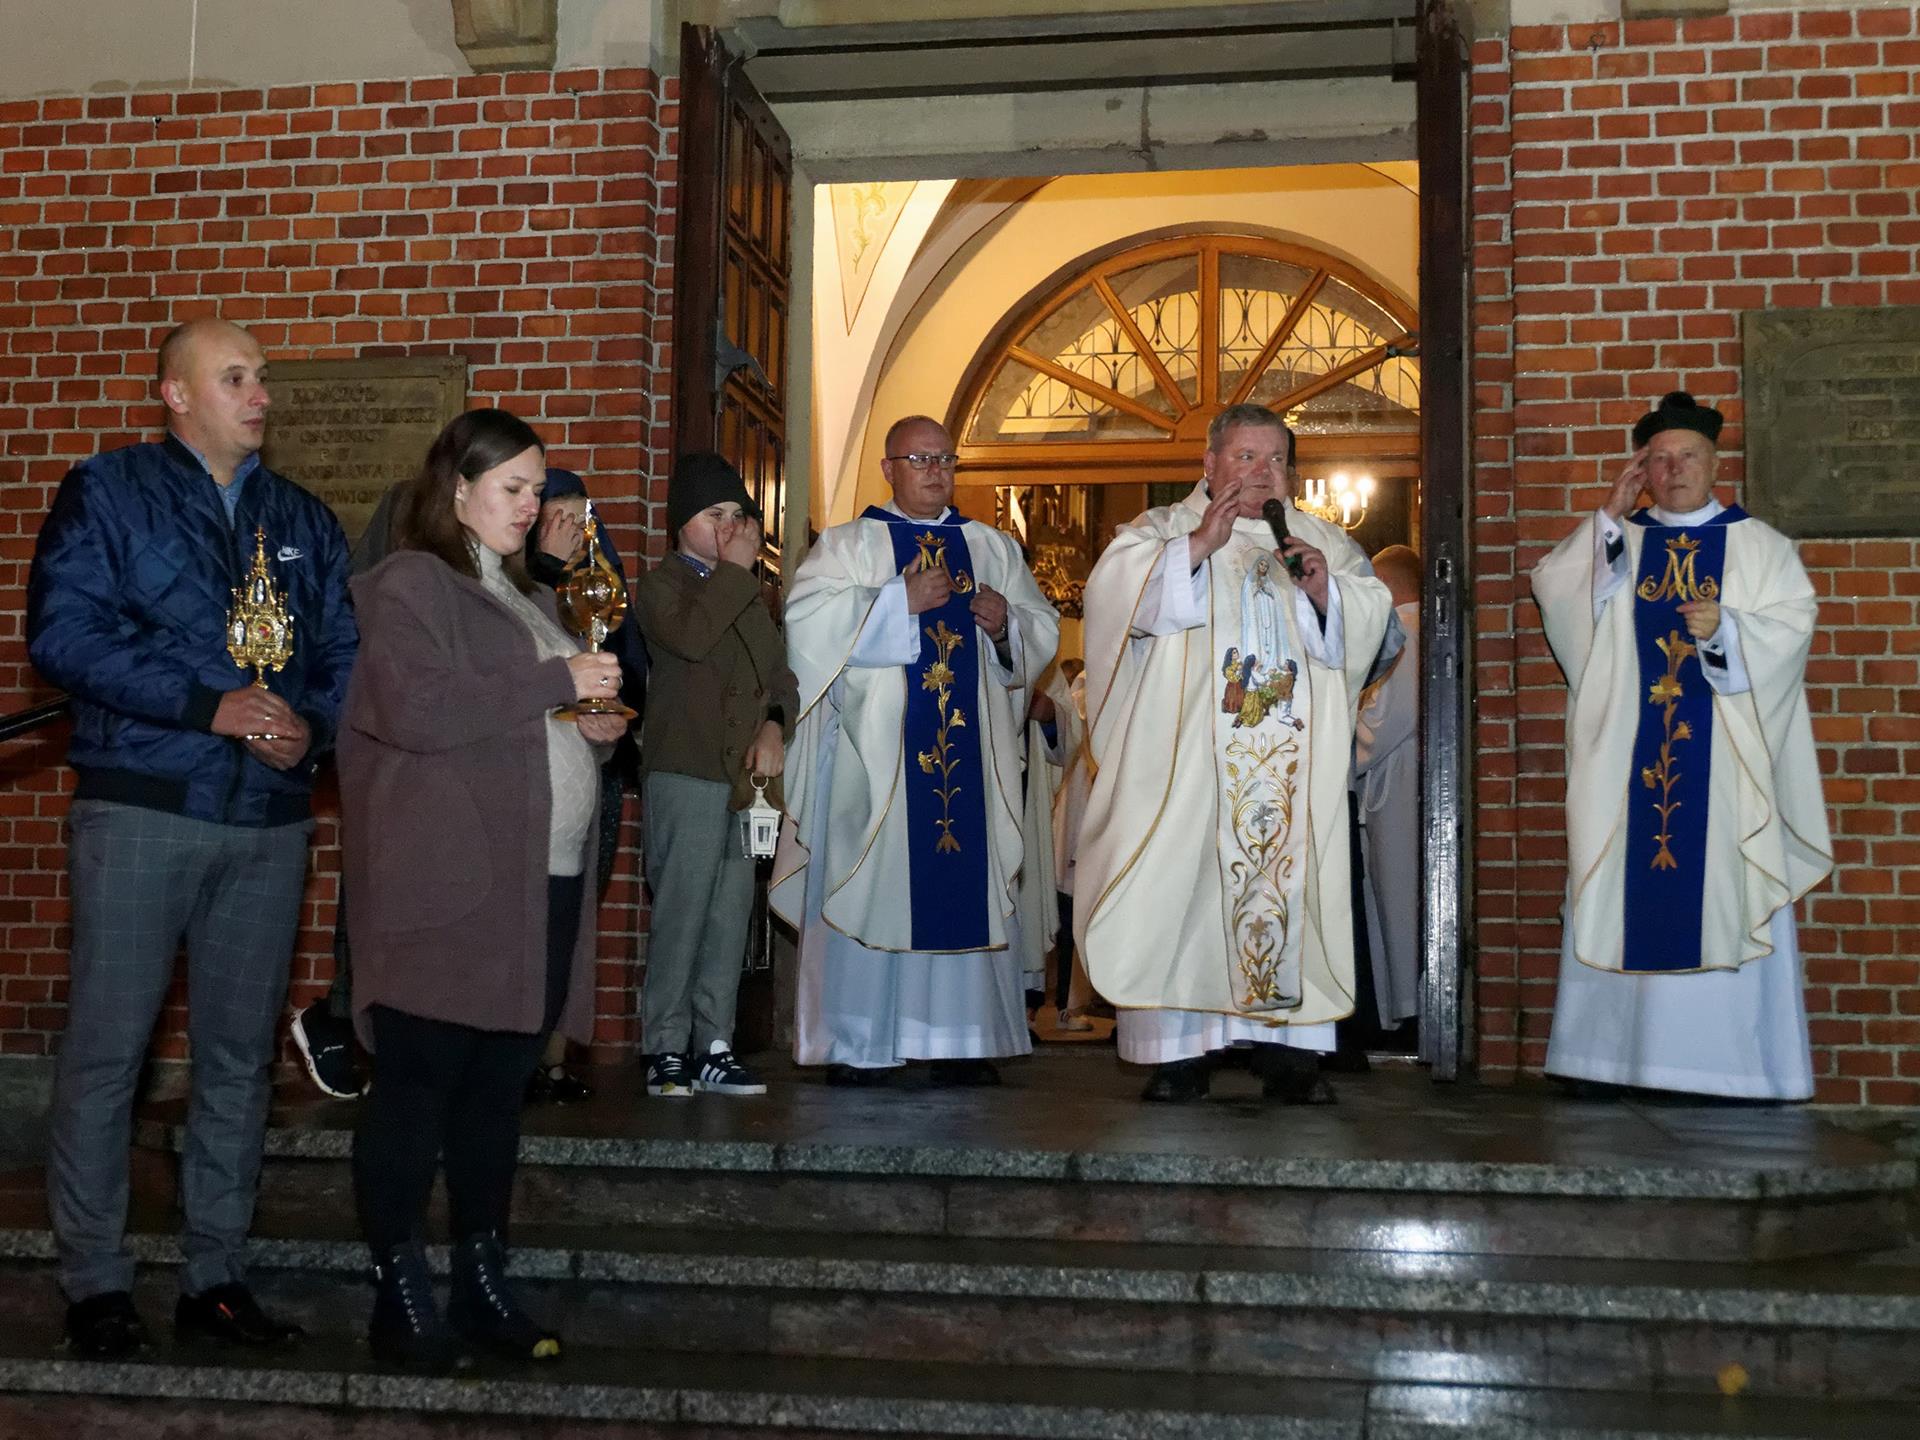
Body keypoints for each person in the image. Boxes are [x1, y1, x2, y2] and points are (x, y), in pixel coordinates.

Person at [26, 317, 357, 1358]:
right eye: (236, 377)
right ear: (175, 394)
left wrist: (313, 729)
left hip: (268, 821)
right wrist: (206, 705)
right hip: (142, 806)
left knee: (238, 1064)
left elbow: (344, 657)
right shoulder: (109, 491)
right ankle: (95, 1283)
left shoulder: (301, 517)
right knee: (107, 1055)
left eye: (262, 378)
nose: (261, 396)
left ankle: (216, 1276)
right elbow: (63, 633)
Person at [339, 408, 626, 1369]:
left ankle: (481, 1283)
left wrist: (589, 733)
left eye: (538, 488)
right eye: (513, 487)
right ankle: (400, 1298)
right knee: (418, 1087)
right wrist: (555, 685)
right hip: (450, 884)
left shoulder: (527, 594)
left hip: (537, 884)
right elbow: (415, 707)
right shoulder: (409, 583)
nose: (531, 505)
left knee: (497, 1094)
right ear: (456, 489)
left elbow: (525, 718)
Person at [1074, 404, 1393, 1103]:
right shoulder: (1161, 530)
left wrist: (1326, 592)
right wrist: (1195, 549)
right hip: (1189, 768)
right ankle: (1179, 1056)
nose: (1261, 473)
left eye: (1275, 460)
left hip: (1288, 772)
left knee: (1287, 893)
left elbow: (1376, 626)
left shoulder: (1320, 542)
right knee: (1182, 896)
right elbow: (1112, 601)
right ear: (1210, 464)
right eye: (1245, 458)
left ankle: (1291, 1056)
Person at [1530, 391, 1832, 1101]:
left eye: (1687, 456)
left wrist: (1728, 631)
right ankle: (1609, 1063)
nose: (1673, 470)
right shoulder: (1621, 540)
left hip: (1724, 768)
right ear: (1643, 469)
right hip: (1629, 760)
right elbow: (1560, 595)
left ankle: (1728, 1070)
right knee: (1624, 879)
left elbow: (1790, 633)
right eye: (1659, 459)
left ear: (1715, 462)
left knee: (1718, 883)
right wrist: (1608, 517)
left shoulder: (1761, 548)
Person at [772, 416, 1060, 1086]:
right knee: (874, 885)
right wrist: (893, 601)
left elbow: (1038, 628)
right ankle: (862, 1045)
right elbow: (806, 626)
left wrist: (1005, 627)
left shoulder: (991, 547)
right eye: (920, 459)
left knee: (961, 885)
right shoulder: (847, 546)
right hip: (877, 768)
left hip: (969, 766)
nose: (936, 471)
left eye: (945, 459)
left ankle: (961, 1043)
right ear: (889, 468)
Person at [631, 453, 797, 1099]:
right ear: (682, 524)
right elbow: (693, 637)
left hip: (741, 782)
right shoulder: (661, 587)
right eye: (714, 515)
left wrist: (774, 725)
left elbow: (780, 676)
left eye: (737, 515)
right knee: (683, 912)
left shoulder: (748, 596)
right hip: (687, 769)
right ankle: (665, 1046)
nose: (730, 527)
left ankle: (715, 1045)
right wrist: (734, 572)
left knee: (730, 913)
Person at [523, 467, 650, 1103]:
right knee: (531, 921)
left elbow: (629, 667)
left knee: (574, 922)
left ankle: (551, 1058)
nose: (574, 532)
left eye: (582, 520)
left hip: (593, 772)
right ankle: (519, 1057)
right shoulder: (519, 584)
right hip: (533, 778)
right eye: (561, 518)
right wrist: (545, 564)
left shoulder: (598, 585)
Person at [1350, 544, 1422, 1037]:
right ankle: (1395, 1011)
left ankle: (1408, 1013)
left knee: (1398, 902)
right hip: (1389, 784)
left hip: (1397, 786)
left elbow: (1386, 720)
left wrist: (1335, 752)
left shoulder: (1407, 633)